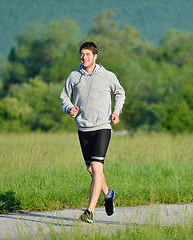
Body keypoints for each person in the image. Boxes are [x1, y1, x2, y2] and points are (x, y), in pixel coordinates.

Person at [60, 42, 125, 223]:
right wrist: (69, 108)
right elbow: (64, 96)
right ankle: (108, 193)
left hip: (102, 126)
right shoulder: (74, 76)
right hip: (83, 127)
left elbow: (120, 93)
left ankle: (90, 211)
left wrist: (116, 112)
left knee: (97, 167)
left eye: (88, 54)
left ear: (95, 56)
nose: (84, 57)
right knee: (91, 169)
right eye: (82, 54)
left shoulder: (107, 76)